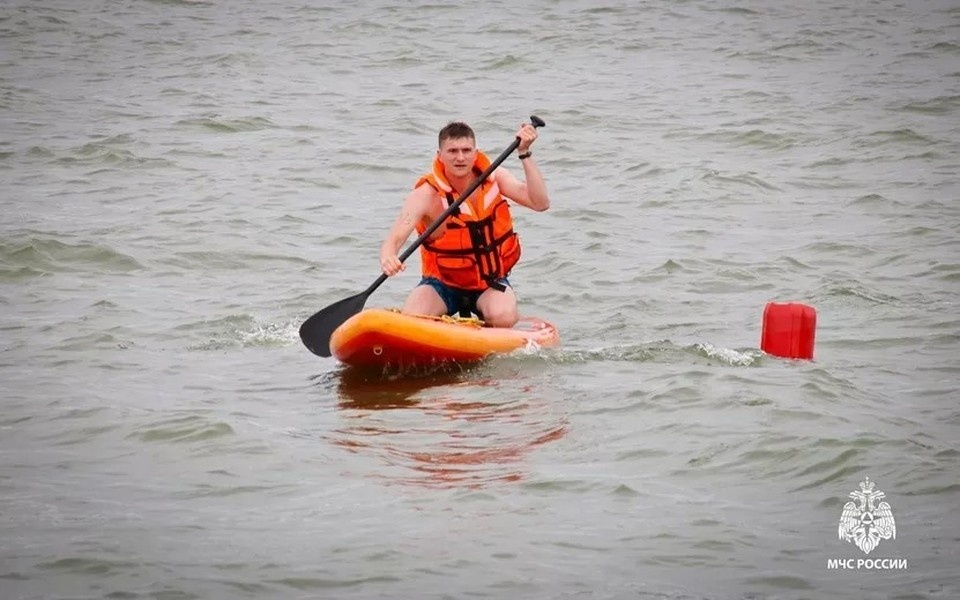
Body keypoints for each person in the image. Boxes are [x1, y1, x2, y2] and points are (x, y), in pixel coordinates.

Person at [378, 120, 550, 328]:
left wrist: (524, 154)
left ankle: (504, 318)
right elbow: (395, 238)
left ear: (476, 153)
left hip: (489, 283)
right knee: (413, 318)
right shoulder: (425, 194)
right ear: (439, 155)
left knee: (502, 317)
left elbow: (540, 203)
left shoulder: (494, 178)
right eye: (452, 151)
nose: (460, 157)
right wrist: (389, 258)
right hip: (441, 284)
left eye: (466, 150)